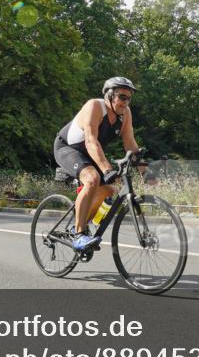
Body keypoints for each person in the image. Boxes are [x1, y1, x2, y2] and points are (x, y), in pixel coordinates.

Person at [54, 77, 145, 250]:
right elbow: (90, 140)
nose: (126, 102)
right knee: (92, 179)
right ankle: (79, 235)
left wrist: (146, 171)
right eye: (122, 97)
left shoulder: (125, 114)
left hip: (90, 153)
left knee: (109, 190)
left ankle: (79, 226)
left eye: (129, 98)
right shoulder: (94, 106)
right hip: (68, 148)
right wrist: (106, 169)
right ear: (109, 96)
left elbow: (130, 144)